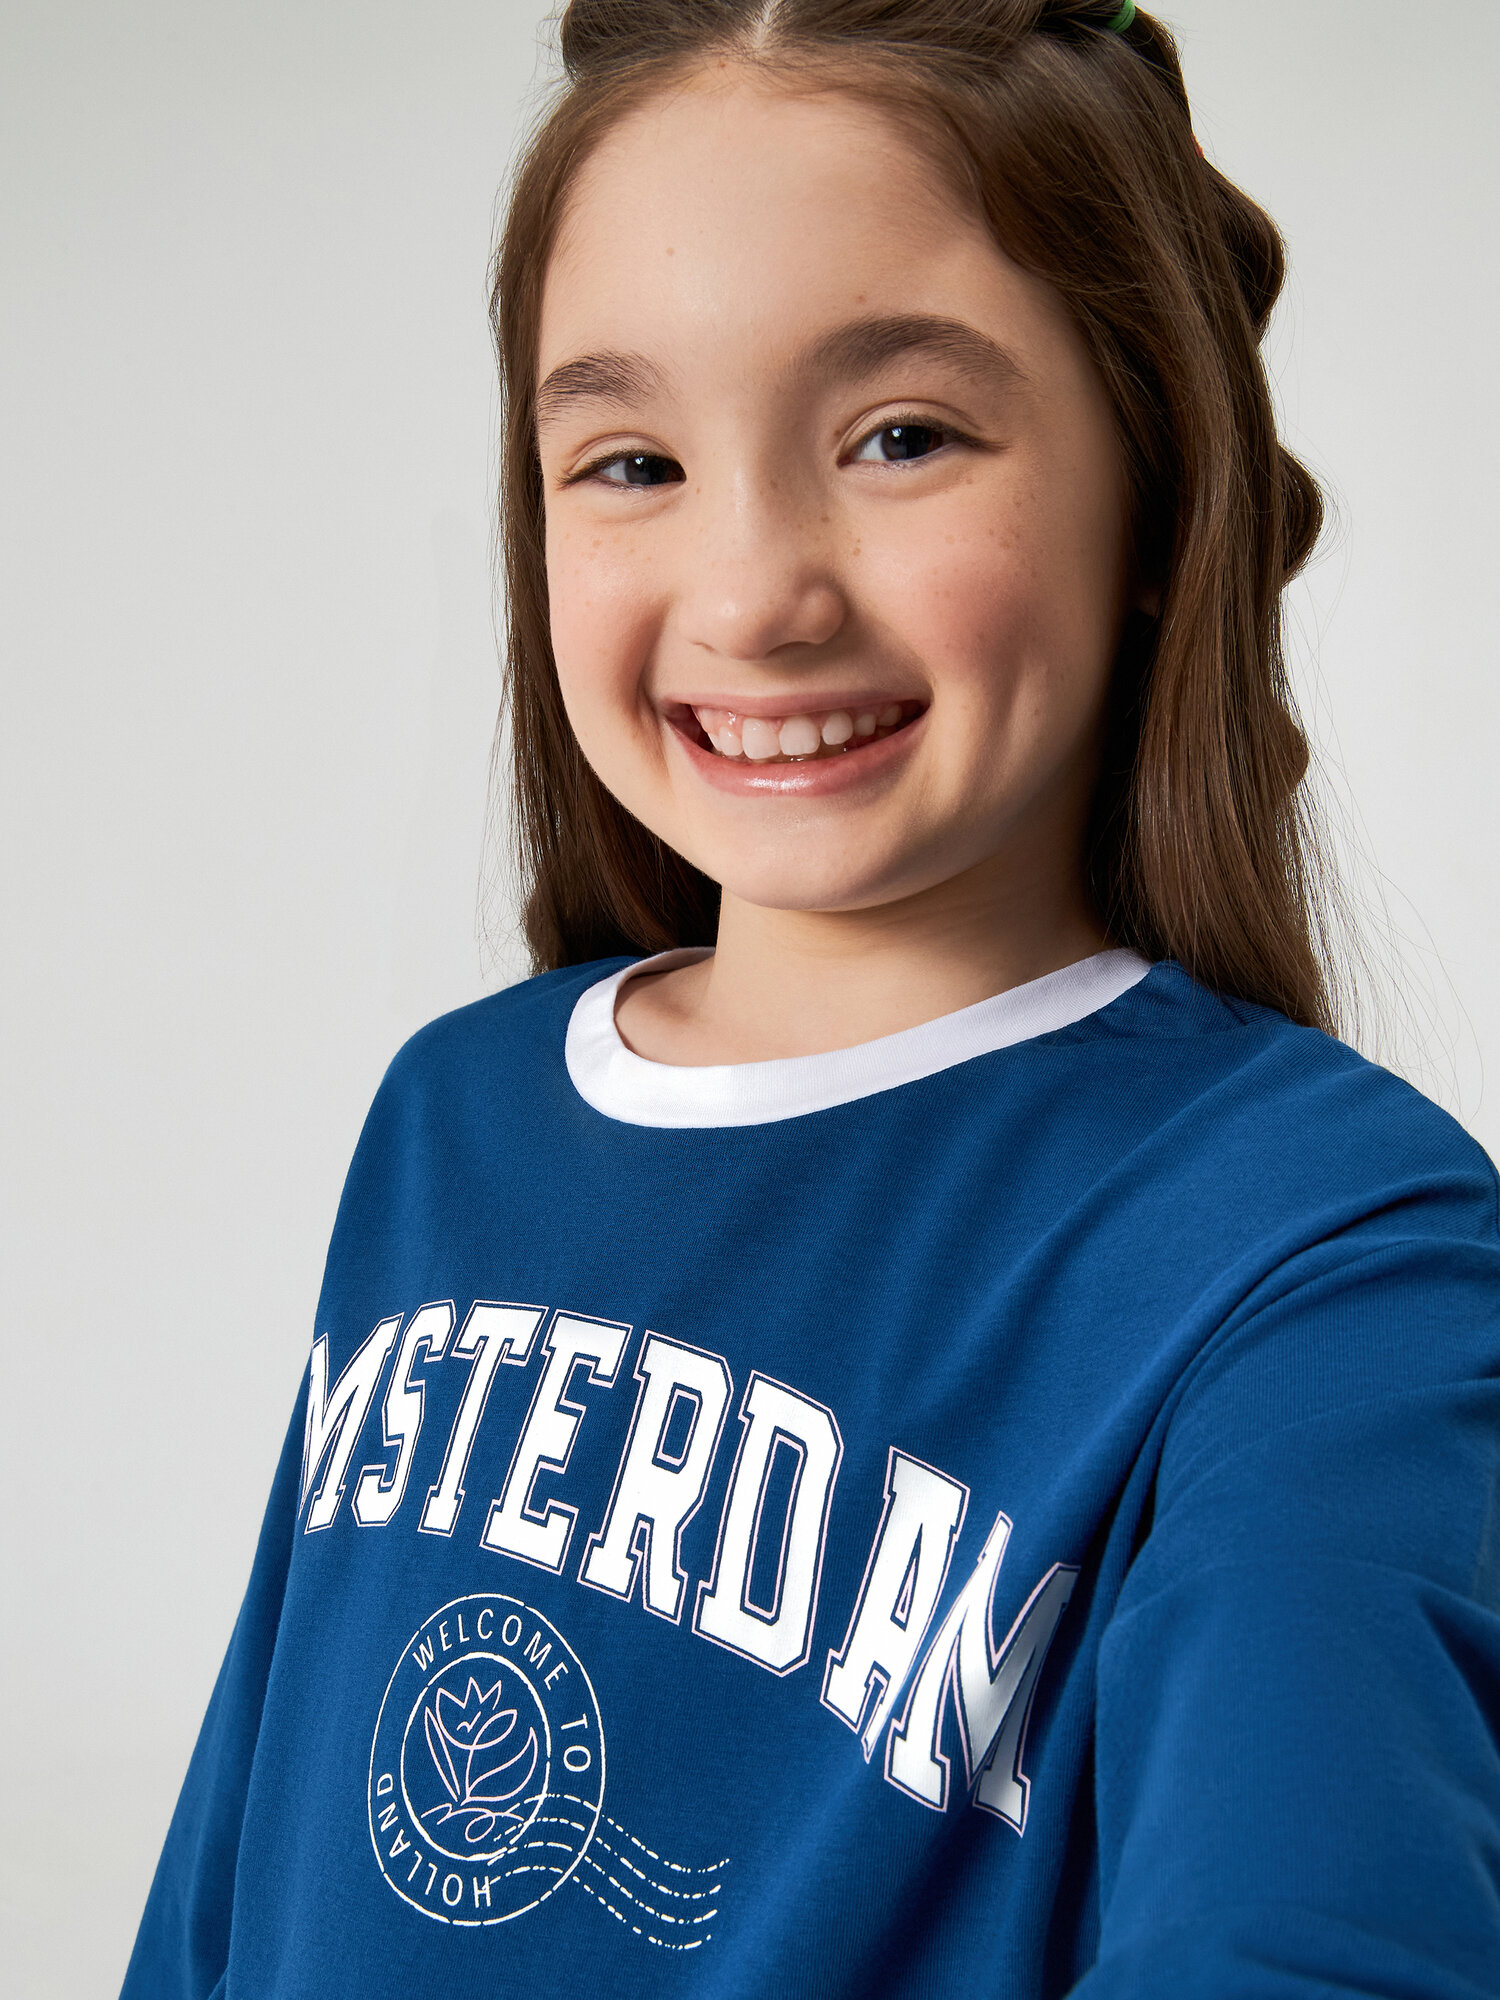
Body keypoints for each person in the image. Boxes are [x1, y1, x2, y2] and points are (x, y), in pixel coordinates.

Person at [122, 3, 1500, 1995]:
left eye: (901, 437)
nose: (754, 592)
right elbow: (227, 1886)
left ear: (1155, 481)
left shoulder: (1330, 1257)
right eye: (632, 460)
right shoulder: (453, 1115)